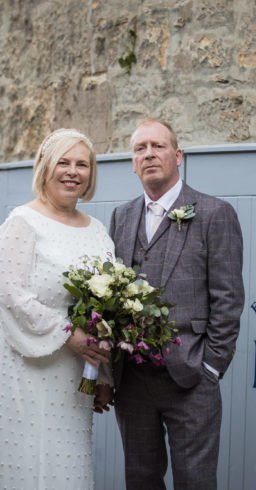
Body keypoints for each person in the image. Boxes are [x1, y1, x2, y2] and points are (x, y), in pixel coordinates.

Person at [110, 118, 245, 490]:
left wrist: (211, 369)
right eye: (140, 149)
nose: (149, 154)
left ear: (178, 156)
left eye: (158, 146)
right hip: (133, 380)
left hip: (190, 377)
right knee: (140, 479)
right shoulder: (121, 217)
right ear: (133, 162)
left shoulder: (215, 213)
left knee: (195, 481)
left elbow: (228, 300)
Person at [0, 128, 114, 489]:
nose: (72, 171)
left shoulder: (97, 230)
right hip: (28, 363)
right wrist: (68, 334)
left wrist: (104, 375)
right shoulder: (22, 221)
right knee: (28, 460)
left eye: (82, 164)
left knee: (69, 462)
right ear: (45, 168)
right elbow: (11, 292)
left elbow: (106, 309)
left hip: (76, 371)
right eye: (63, 162)